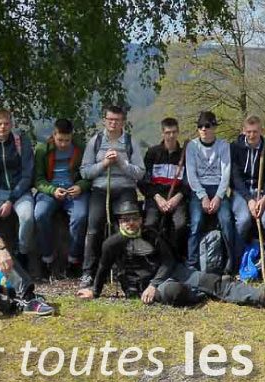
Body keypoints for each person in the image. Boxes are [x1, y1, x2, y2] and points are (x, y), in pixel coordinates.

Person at [75, 201, 265, 309]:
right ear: (119, 223)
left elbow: (168, 260)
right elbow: (103, 268)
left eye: (134, 218)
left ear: (141, 219)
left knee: (212, 281)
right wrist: (95, 291)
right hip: (144, 287)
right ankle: (198, 294)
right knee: (174, 291)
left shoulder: (151, 235)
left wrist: (155, 283)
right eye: (125, 220)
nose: (130, 223)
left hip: (168, 274)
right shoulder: (111, 244)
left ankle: (260, 297)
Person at [79, 105, 146, 288]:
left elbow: (139, 173)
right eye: (110, 120)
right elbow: (85, 172)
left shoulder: (131, 142)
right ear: (104, 120)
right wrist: (104, 163)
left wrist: (122, 163)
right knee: (94, 227)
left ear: (123, 122)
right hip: (101, 189)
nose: (113, 124)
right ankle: (88, 272)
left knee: (128, 228)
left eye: (117, 120)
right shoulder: (96, 141)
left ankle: (128, 271)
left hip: (125, 188)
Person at [32, 118, 90, 280]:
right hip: (51, 190)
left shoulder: (81, 149)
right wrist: (52, 190)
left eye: (67, 140)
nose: (63, 144)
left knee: (80, 217)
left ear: (72, 136)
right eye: (60, 140)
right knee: (40, 214)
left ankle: (73, 260)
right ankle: (47, 258)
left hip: (74, 190)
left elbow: (89, 173)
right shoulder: (43, 150)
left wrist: (81, 186)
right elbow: (38, 179)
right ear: (53, 135)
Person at [0, 110, 35, 271]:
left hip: (20, 191)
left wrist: (11, 200)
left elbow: (27, 174)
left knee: (27, 217)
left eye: (6, 124)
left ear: (11, 124)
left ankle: (22, 253)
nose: (3, 127)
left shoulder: (21, 142)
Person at [229, 115, 265, 277]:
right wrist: (249, 200)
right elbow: (235, 178)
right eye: (248, 132)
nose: (252, 135)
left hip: (262, 192)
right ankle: (237, 263)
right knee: (243, 221)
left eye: (255, 132)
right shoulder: (235, 148)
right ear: (243, 131)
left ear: (261, 131)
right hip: (242, 192)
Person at [184, 111, 236, 273]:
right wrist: (203, 197)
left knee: (227, 221)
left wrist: (219, 197)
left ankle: (230, 262)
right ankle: (192, 264)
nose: (203, 129)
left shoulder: (223, 145)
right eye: (200, 126)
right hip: (199, 190)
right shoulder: (192, 146)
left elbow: (226, 173)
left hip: (218, 188)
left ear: (214, 127)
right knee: (196, 222)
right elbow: (191, 175)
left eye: (207, 126)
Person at [140, 117, 188, 261]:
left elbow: (189, 183)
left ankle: (176, 258)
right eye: (168, 132)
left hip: (177, 198)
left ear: (178, 132)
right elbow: (143, 181)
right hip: (156, 198)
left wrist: (177, 197)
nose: (171, 136)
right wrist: (157, 197)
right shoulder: (152, 153)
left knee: (180, 224)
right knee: (150, 224)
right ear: (162, 133)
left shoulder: (185, 155)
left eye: (174, 132)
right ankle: (151, 258)